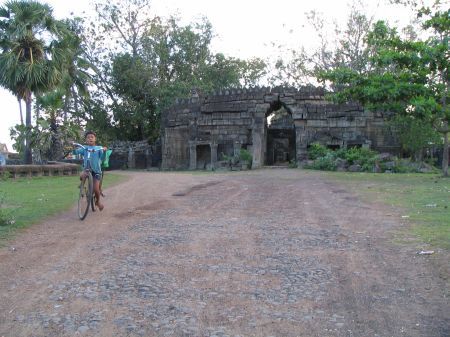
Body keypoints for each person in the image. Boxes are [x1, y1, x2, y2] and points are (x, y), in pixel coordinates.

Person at [73, 131, 107, 211]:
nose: (90, 138)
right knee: (82, 175)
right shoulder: (84, 148)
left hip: (96, 171)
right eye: (88, 137)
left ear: (95, 139)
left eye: (92, 137)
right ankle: (82, 185)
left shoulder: (99, 148)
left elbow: (103, 158)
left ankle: (97, 202)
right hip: (87, 169)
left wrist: (104, 151)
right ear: (86, 140)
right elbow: (75, 152)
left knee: (96, 189)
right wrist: (73, 147)